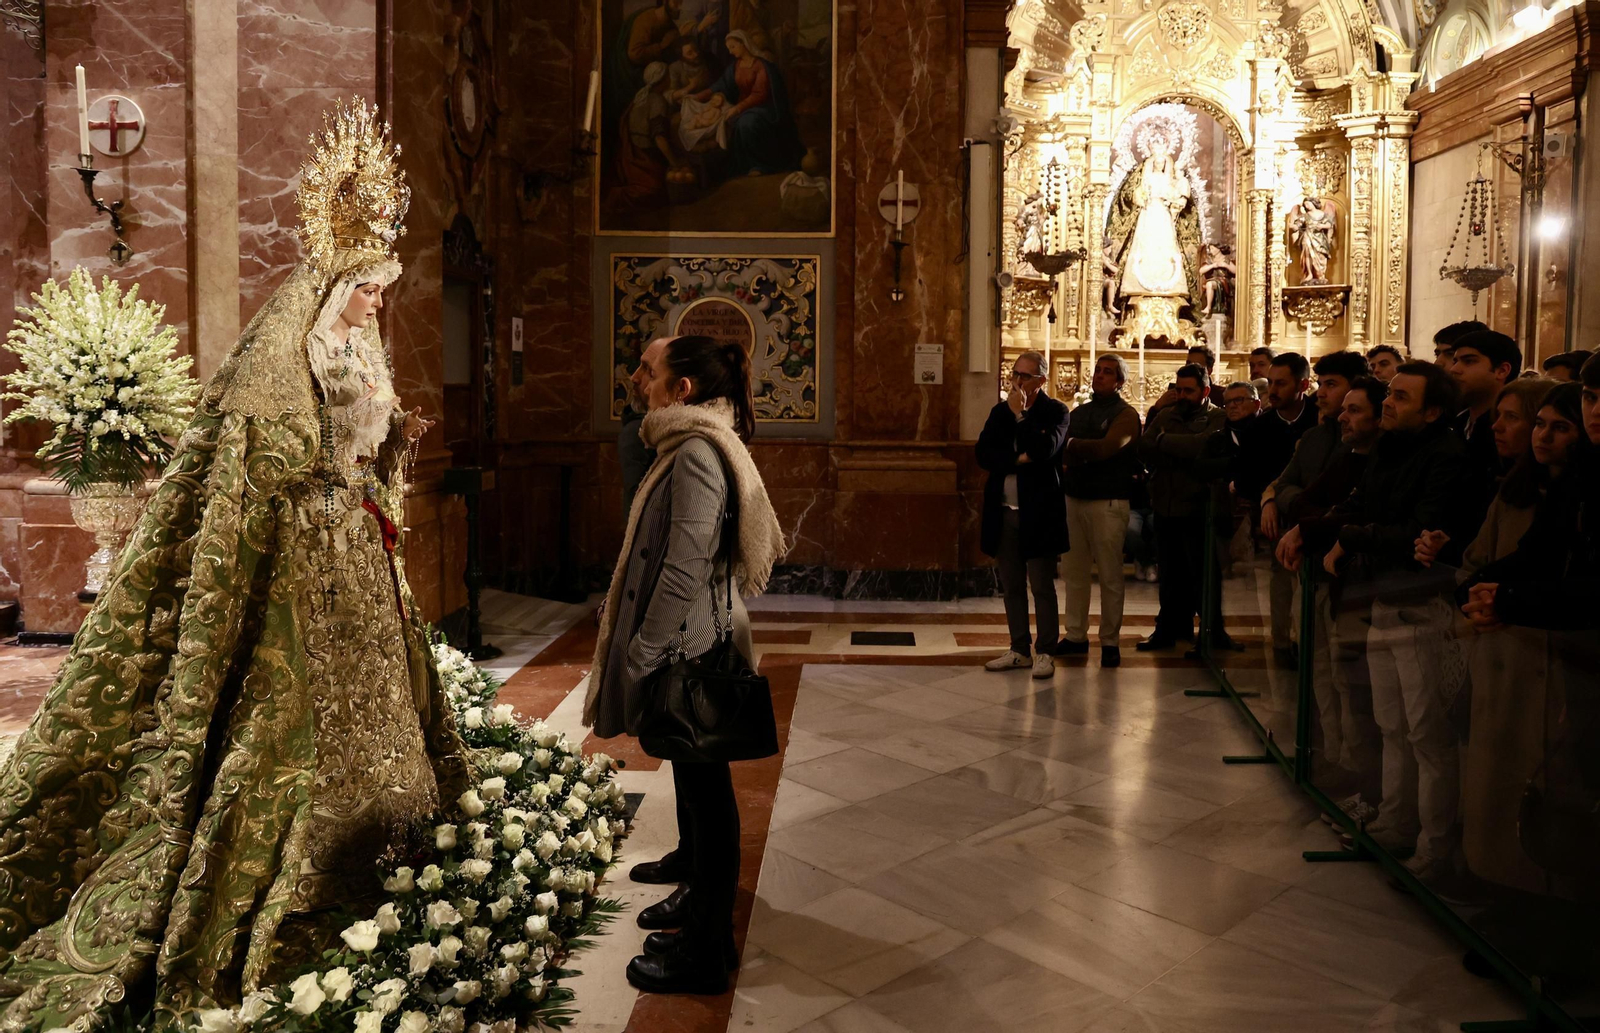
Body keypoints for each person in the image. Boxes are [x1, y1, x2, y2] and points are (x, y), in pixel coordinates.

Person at [0, 101, 471, 1026]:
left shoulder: (362, 349)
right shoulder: (284, 349)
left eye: (384, 284)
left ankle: (385, 832)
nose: (380, 300)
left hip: (359, 553)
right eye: (370, 285)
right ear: (336, 279)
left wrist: (393, 445)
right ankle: (299, 868)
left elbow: (363, 445)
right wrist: (317, 482)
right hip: (304, 556)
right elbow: (261, 452)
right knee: (290, 715)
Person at [586, 334, 785, 995]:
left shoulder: (697, 452)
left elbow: (684, 564)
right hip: (685, 639)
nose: (638, 378)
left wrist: (645, 650)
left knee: (709, 793)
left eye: (650, 370)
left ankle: (706, 945)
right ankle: (700, 906)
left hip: (688, 644)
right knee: (698, 788)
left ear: (684, 390)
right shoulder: (683, 441)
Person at [1297, 362, 1471, 880]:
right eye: (1389, 395)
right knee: (1392, 724)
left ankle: (1435, 848)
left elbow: (1415, 532)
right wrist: (1351, 530)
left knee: (1426, 733)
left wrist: (1351, 537)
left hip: (1420, 603)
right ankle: (1396, 821)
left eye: (1401, 398)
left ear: (1433, 411)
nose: (1388, 404)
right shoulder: (1390, 449)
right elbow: (1361, 507)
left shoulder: (1447, 456)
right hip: (1380, 597)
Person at [1455, 383, 1592, 897]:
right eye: (1539, 424)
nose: (1542, 436)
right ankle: (1497, 886)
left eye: (1559, 426)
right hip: (1504, 659)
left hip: (1562, 667)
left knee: (1555, 800)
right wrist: (1477, 599)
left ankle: (1547, 905)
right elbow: (1482, 565)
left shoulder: (1579, 497)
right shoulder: (1513, 493)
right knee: (1498, 789)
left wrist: (1503, 597)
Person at [1277, 377, 1388, 810]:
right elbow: (1305, 500)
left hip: (1355, 586)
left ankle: (1360, 774)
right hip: (1323, 573)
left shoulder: (1377, 459)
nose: (1342, 415)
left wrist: (1313, 524)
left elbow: (1347, 515)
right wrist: (1316, 520)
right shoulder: (1346, 453)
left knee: (1351, 686)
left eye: (1354, 410)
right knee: (1323, 675)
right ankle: (1335, 759)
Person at [1259, 350, 1368, 667]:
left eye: (1331, 384)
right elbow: (1283, 485)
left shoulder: (1362, 443)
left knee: (1343, 670)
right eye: (1320, 383)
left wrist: (1302, 504)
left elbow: (1348, 500)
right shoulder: (1313, 437)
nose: (1321, 392)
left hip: (1344, 566)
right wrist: (1300, 501)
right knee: (1316, 662)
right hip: (1309, 557)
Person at [978, 351, 1070, 678]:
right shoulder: (1000, 412)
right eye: (1015, 374)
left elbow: (1046, 451)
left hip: (1039, 513)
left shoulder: (1056, 411)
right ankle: (1019, 649)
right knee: (1012, 585)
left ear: (1041, 380)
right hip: (1004, 512)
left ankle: (1045, 650)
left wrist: (1021, 419)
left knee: (1042, 585)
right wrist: (1017, 459)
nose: (1017, 381)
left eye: (1025, 376)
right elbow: (984, 453)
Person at [1137, 363, 1229, 652]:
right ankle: (1168, 629)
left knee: (1202, 577)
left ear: (1205, 390)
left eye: (1188, 390)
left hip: (1200, 509)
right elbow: (1144, 449)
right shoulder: (1166, 414)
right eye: (1178, 389)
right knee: (1170, 574)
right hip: (1166, 506)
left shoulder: (1218, 417)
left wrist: (1166, 442)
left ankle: (1212, 632)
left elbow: (1204, 448)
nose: (1181, 395)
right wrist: (1176, 449)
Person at [1061, 353, 1140, 668]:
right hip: (1075, 498)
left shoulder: (1126, 414)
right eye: (1097, 370)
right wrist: (1081, 447)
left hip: (1108, 501)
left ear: (1119, 381)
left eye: (1107, 372)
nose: (1099, 375)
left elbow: (1108, 448)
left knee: (1109, 575)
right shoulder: (1080, 412)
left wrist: (1076, 447)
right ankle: (1075, 636)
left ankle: (1110, 641)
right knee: (1074, 573)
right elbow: (1063, 444)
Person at [1447, 329, 1522, 548]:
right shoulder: (1455, 425)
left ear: (1501, 370)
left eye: (1469, 361)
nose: (1454, 370)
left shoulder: (1511, 433)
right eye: (1455, 361)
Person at [694, 30, 805, 178]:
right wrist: (698, 96)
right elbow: (720, 85)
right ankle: (743, 164)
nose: (731, 51)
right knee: (726, 121)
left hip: (765, 108)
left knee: (747, 123)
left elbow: (759, 94)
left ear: (743, 44)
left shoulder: (761, 65)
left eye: (733, 47)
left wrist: (737, 108)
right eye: (728, 48)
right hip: (744, 107)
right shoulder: (735, 66)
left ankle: (759, 165)